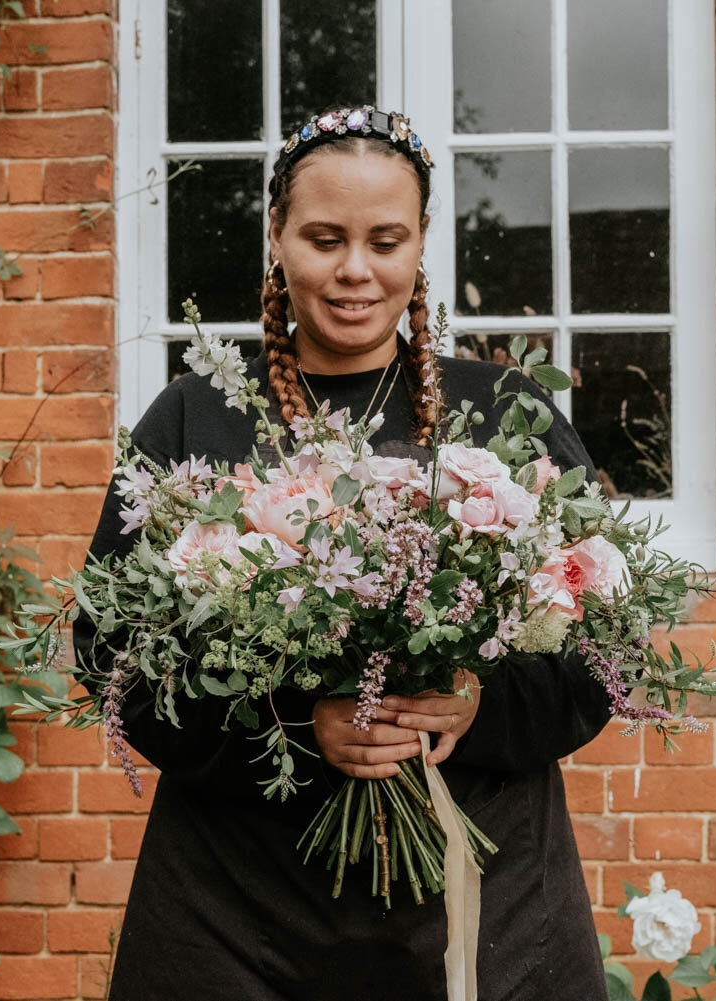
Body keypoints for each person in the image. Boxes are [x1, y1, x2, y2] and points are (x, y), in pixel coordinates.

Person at [74, 105, 613, 1001]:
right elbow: (113, 657)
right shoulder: (194, 418)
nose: (356, 270)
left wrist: (472, 703)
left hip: (489, 913)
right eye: (324, 237)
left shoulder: (507, 415)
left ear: (421, 242)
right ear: (276, 236)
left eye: (385, 239)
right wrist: (294, 720)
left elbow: (606, 651)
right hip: (234, 917)